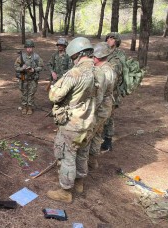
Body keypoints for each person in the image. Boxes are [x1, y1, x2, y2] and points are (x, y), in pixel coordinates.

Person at [47, 37, 97, 203]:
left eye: (72, 57)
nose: (72, 60)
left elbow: (54, 96)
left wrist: (56, 86)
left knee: (67, 156)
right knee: (82, 154)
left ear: (78, 54)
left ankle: (65, 191)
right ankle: (79, 183)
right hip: (89, 122)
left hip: (73, 124)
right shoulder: (98, 70)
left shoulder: (75, 73)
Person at [88, 42, 116, 169]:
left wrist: (90, 110)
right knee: (97, 134)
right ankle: (93, 160)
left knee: (89, 135)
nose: (92, 58)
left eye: (93, 56)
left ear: (98, 57)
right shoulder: (108, 67)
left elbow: (99, 95)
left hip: (100, 108)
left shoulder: (104, 72)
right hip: (105, 107)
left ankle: (88, 161)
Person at [101, 32, 126, 152]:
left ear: (116, 41)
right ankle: (100, 137)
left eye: (112, 38)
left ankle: (108, 140)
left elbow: (114, 75)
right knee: (101, 114)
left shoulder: (117, 56)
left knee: (109, 117)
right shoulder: (103, 52)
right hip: (102, 90)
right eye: (108, 38)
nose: (109, 40)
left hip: (112, 92)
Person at [14, 39, 44, 115]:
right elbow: (16, 67)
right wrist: (22, 68)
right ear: (25, 48)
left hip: (33, 78)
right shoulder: (21, 57)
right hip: (23, 78)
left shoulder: (36, 57)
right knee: (24, 93)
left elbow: (41, 66)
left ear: (33, 48)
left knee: (31, 93)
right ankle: (24, 107)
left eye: (30, 47)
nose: (29, 49)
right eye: (27, 47)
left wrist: (34, 69)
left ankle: (30, 107)